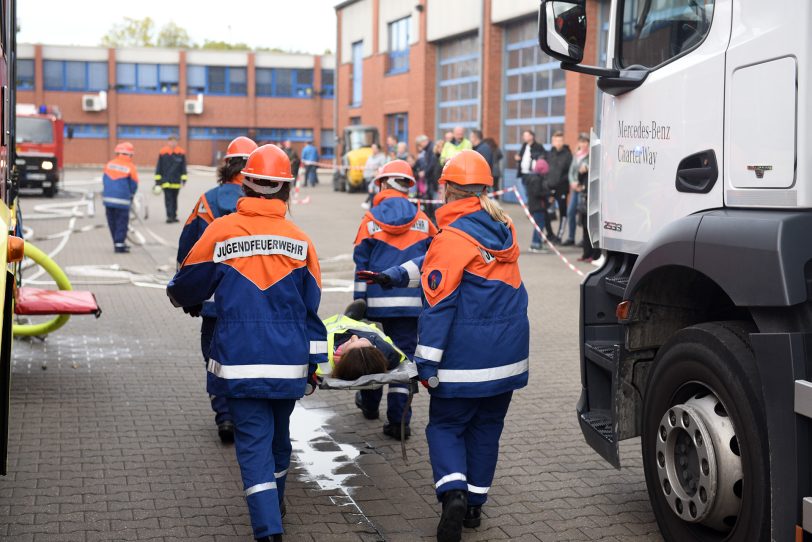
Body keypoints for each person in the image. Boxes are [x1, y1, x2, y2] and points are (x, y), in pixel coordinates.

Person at [167, 144, 327, 542]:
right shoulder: (300, 240)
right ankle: (277, 500)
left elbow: (188, 283)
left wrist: (182, 299)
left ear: (245, 185)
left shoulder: (222, 230)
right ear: (287, 192)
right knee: (278, 438)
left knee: (253, 444)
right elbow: (312, 310)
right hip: (289, 364)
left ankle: (268, 528)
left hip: (239, 361)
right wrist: (314, 365)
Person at [414, 150, 529, 542]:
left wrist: (425, 366)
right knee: (487, 430)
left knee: (446, 427)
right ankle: (475, 508)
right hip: (508, 360)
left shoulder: (452, 239)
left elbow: (437, 306)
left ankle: (453, 495)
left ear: (446, 189)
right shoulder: (505, 228)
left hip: (463, 362)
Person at [175, 136, 258, 444]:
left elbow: (189, 246)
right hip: (252, 298)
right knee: (247, 354)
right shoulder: (264, 206)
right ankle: (244, 412)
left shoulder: (207, 201)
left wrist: (189, 293)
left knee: (214, 355)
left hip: (212, 299)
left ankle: (223, 415)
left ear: (226, 166)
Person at [352, 160, 437, 439]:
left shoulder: (371, 218)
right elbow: (436, 258)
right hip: (411, 305)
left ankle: (370, 405)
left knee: (372, 355)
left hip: (376, 303)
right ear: (408, 185)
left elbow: (360, 264)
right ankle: (399, 422)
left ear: (382, 183)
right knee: (403, 361)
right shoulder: (424, 219)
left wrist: (359, 303)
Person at [102, 142, 139, 253]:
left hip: (108, 200)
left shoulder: (109, 164)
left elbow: (104, 180)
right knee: (121, 223)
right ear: (129, 155)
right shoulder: (130, 167)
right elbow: (134, 184)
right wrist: (131, 196)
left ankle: (117, 242)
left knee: (112, 222)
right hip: (122, 201)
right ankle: (119, 245)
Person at [544, 131, 573, 242]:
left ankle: (559, 236)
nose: (558, 143)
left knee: (563, 212)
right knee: (544, 211)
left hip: (562, 188)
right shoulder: (549, 154)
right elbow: (546, 170)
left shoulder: (567, 155)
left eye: (560, 140)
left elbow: (569, 172)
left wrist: (560, 182)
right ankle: (550, 234)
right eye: (556, 140)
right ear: (552, 141)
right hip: (549, 188)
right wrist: (546, 183)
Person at [154, 135, 188, 223]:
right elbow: (159, 167)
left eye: (174, 141)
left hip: (176, 181)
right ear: (168, 142)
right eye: (171, 141)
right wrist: (158, 181)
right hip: (166, 181)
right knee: (168, 199)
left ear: (177, 142)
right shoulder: (163, 152)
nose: (173, 143)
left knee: (174, 199)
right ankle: (169, 216)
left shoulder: (181, 153)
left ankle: (174, 216)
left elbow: (183, 167)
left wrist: (184, 179)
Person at [564, 133, 590, 246]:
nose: (583, 144)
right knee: (570, 212)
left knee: (583, 214)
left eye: (585, 142)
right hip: (575, 188)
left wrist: (587, 169)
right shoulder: (576, 155)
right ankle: (571, 237)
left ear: (588, 143)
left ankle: (585, 239)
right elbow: (571, 172)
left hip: (584, 190)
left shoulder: (591, 155)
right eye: (581, 142)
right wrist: (573, 182)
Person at [362, 143, 388, 210]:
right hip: (368, 178)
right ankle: (371, 211)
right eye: (372, 148)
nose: (373, 149)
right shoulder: (370, 157)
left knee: (375, 197)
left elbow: (383, 167)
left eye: (374, 148)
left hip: (375, 179)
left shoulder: (382, 157)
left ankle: (374, 211)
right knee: (371, 196)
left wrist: (377, 172)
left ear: (378, 149)